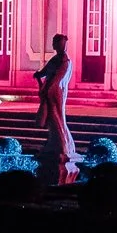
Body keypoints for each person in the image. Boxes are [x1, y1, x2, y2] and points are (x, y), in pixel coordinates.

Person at [34, 33, 78, 184]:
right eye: (54, 43)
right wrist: (39, 75)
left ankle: (61, 144)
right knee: (53, 120)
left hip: (55, 94)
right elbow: (46, 71)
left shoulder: (64, 61)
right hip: (51, 92)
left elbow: (56, 79)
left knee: (56, 118)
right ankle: (57, 142)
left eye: (57, 43)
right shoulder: (56, 59)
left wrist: (45, 90)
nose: (55, 45)